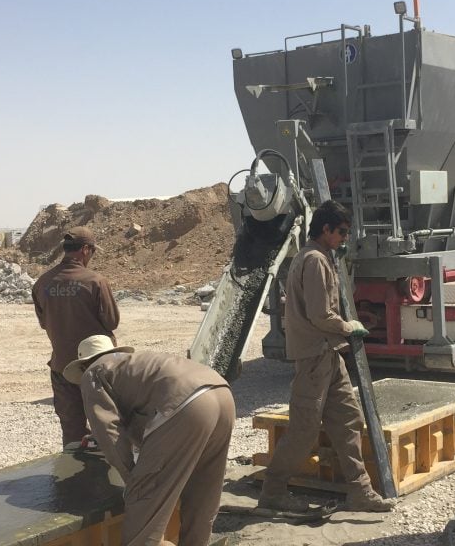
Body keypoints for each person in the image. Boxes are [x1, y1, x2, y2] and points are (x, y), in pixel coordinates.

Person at [257, 200, 395, 513]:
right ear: (325, 229)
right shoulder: (315, 260)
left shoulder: (320, 258)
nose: (345, 237)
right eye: (341, 232)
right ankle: (273, 490)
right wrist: (348, 326)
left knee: (348, 420)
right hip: (314, 356)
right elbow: (320, 314)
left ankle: (360, 491)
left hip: (328, 353)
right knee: (304, 429)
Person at [63, 335, 234, 546]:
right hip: (221, 393)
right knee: (203, 489)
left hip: (186, 405)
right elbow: (147, 417)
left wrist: (134, 480)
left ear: (82, 365)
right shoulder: (133, 364)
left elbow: (108, 431)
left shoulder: (93, 372)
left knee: (143, 506)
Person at [32, 226, 121, 451]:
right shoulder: (96, 282)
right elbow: (112, 322)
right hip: (98, 366)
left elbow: (44, 323)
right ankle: (106, 480)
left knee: (72, 434)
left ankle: (74, 480)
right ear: (84, 250)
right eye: (92, 251)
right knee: (107, 427)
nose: (91, 257)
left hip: (62, 367)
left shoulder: (43, 283)